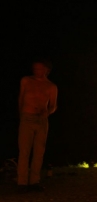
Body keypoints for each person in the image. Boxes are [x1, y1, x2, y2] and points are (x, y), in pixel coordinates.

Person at [17, 59, 58, 192]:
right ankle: (22, 182)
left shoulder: (51, 87)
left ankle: (34, 181)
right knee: (24, 151)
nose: (37, 71)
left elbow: (53, 106)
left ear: (47, 70)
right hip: (27, 118)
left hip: (41, 120)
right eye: (35, 69)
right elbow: (21, 98)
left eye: (40, 69)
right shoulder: (26, 81)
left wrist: (47, 112)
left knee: (39, 152)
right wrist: (22, 115)